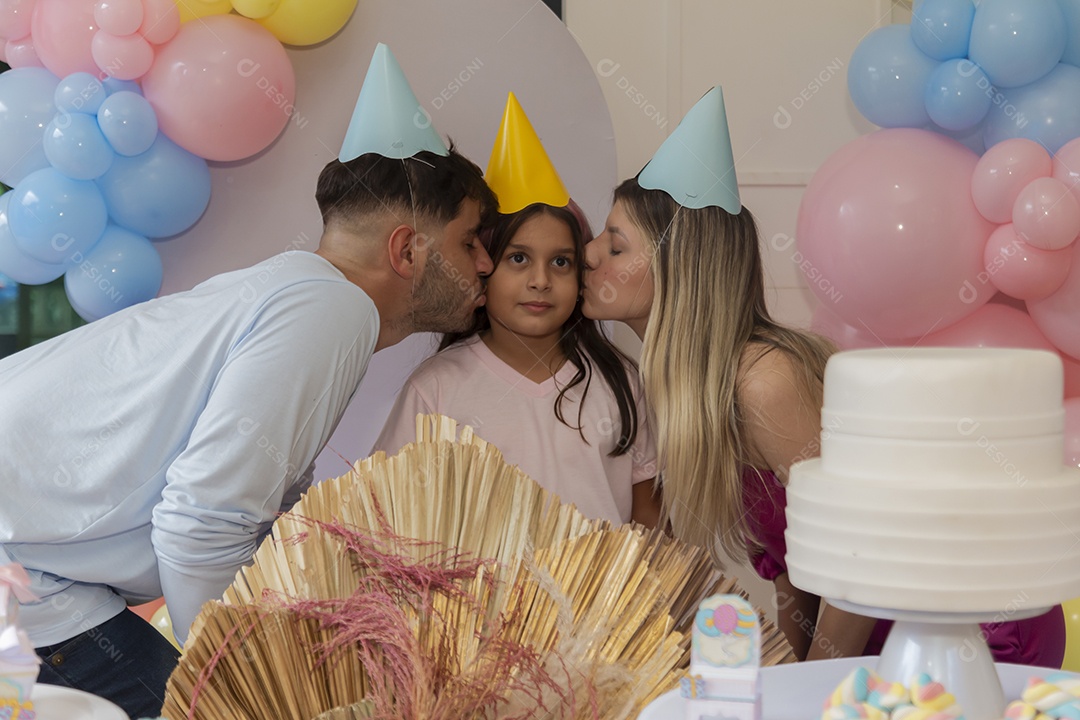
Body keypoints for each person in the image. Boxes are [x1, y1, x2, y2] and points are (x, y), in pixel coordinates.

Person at [0, 44, 499, 717]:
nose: (488, 264)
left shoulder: (296, 293)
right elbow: (201, 523)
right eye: (473, 240)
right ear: (406, 250)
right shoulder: (331, 307)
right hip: (28, 574)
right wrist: (255, 691)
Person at [581, 87, 1065, 665]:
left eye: (615, 244)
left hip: (963, 631)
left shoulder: (765, 381)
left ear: (680, 269)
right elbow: (797, 574)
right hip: (877, 636)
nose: (588, 254)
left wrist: (820, 682)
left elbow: (865, 546)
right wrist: (799, 672)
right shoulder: (691, 392)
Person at [375, 93, 658, 527]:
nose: (541, 280)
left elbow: (649, 515)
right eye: (519, 258)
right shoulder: (435, 390)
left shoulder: (621, 380)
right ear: (483, 265)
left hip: (600, 597)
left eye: (560, 262)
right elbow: (390, 514)